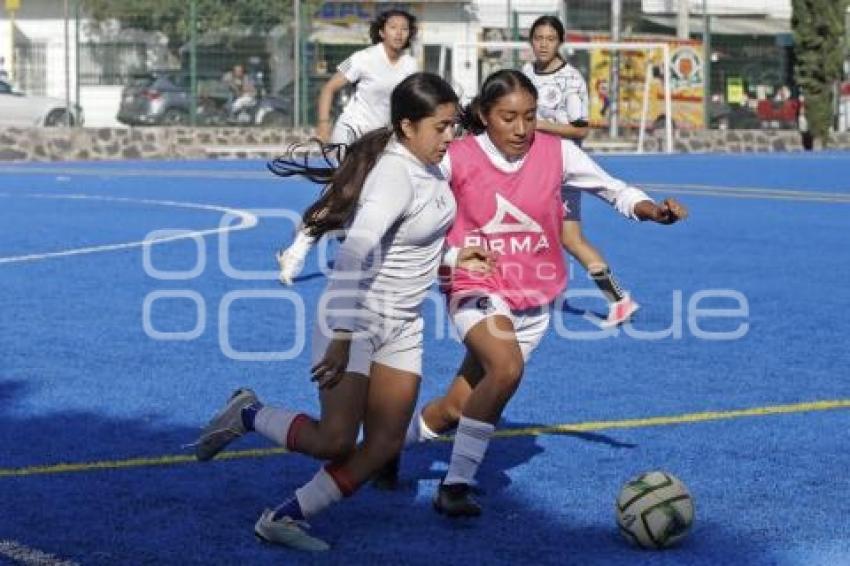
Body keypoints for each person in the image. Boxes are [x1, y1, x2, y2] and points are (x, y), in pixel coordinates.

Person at [193, 73, 493, 551]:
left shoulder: (432, 165)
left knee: (383, 446)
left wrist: (456, 258)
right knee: (335, 441)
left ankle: (284, 517)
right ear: (407, 126)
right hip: (353, 318)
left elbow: (408, 245)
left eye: (452, 125)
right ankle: (248, 414)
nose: (450, 136)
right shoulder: (394, 175)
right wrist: (343, 334)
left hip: (403, 324)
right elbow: (355, 253)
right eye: (440, 127)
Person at [377, 69, 688, 516]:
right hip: (474, 281)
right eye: (508, 117)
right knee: (506, 367)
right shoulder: (457, 156)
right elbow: (405, 177)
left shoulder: (557, 153)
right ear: (484, 116)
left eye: (529, 116)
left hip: (534, 296)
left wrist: (653, 211)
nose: (521, 128)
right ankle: (456, 485)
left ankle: (385, 449)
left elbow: (612, 189)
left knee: (456, 406)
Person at [276, 9, 420, 285]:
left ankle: (342, 240)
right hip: (351, 132)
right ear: (381, 31)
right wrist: (322, 124)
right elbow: (329, 89)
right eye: (393, 27)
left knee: (363, 198)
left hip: (382, 140)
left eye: (404, 28)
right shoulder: (364, 59)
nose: (399, 33)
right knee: (344, 196)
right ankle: (295, 255)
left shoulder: (411, 65)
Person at [522, 15, 638, 328]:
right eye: (538, 38)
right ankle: (618, 300)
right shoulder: (524, 74)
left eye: (550, 38)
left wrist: (541, 125)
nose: (543, 44)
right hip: (530, 165)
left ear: (559, 42)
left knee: (564, 236)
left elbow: (580, 130)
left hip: (561, 166)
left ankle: (615, 298)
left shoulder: (571, 79)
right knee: (565, 237)